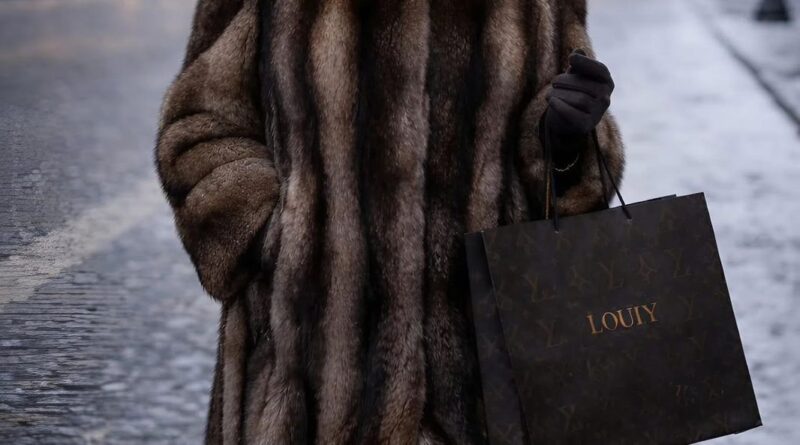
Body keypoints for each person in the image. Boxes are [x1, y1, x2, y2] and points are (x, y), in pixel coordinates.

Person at [155, 0, 623, 443]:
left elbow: (569, 163)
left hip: (484, 377)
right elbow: (198, 128)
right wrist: (284, 239)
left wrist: (565, 142)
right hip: (307, 382)